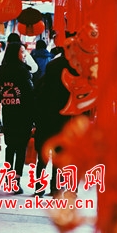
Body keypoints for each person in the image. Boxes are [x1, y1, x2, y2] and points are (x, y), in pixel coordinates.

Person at [32, 46, 75, 197]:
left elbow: (37, 99)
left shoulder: (47, 75)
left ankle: (39, 188)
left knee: (42, 157)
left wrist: (36, 120)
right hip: (64, 120)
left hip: (45, 120)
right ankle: (56, 187)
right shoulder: (73, 72)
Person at [0, 41, 35, 194]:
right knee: (20, 148)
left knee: (10, 147)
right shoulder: (23, 71)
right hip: (24, 114)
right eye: (22, 52)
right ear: (15, 53)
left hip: (8, 114)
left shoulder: (0, 71)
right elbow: (29, 96)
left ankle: (8, 178)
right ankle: (16, 181)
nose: (24, 55)